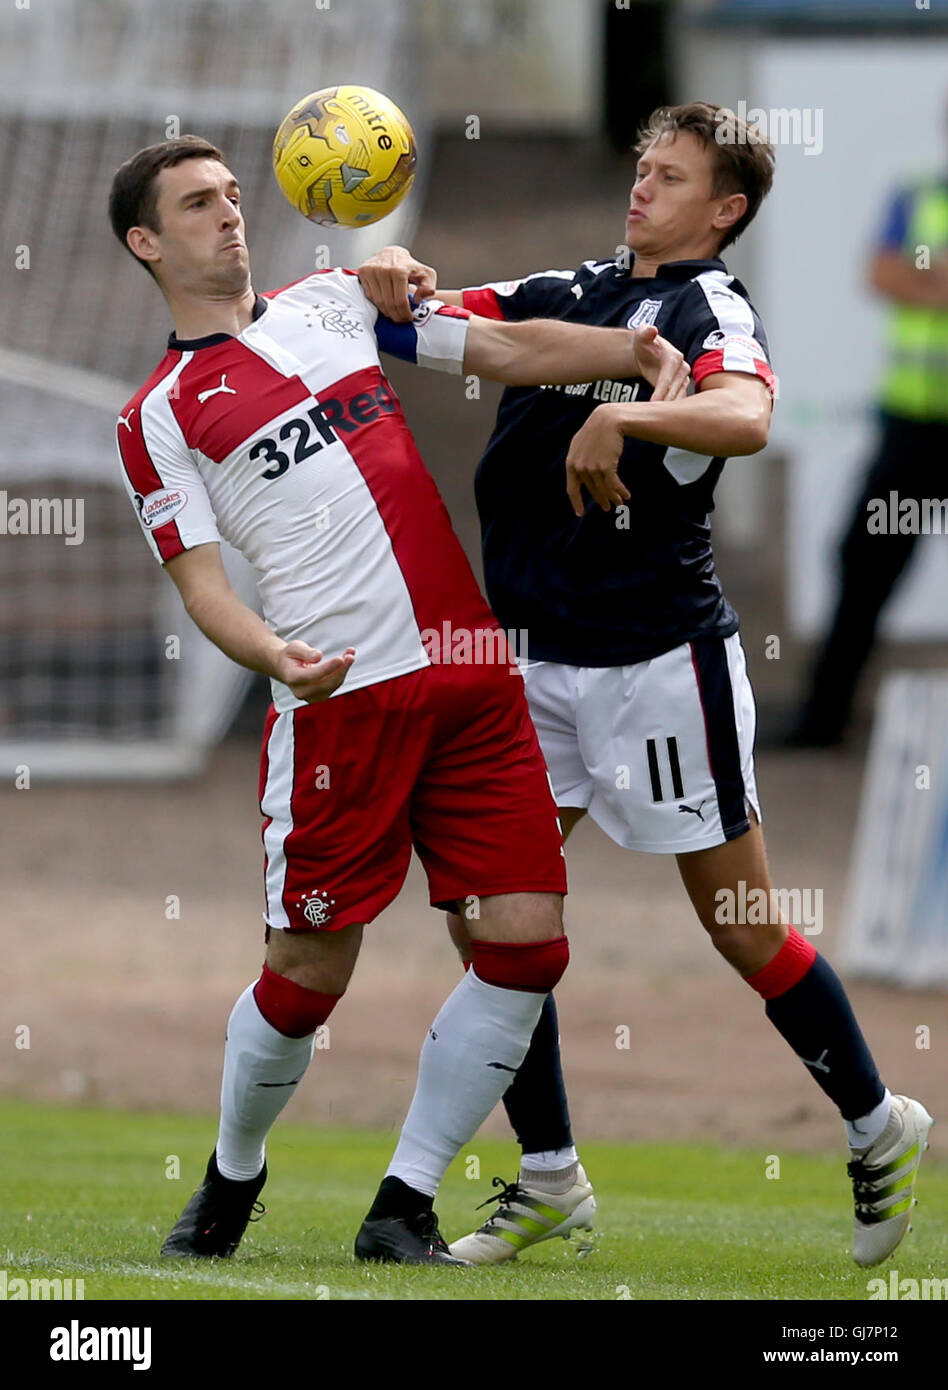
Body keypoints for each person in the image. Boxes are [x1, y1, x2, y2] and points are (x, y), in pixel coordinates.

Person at [357, 101, 933, 1269]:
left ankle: (880, 1127)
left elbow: (747, 414)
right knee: (494, 919)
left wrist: (627, 409)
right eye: (641, 169)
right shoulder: (572, 285)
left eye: (670, 178)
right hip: (534, 665)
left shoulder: (706, 304)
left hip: (657, 664)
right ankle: (551, 1174)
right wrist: (387, 278)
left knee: (743, 928)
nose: (642, 190)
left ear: (723, 208)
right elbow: (427, 329)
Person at [108, 135, 689, 1267]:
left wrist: (637, 346)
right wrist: (275, 655)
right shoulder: (158, 413)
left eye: (233, 195)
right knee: (308, 973)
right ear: (147, 241)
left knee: (524, 947)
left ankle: (405, 1202)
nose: (229, 216)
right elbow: (202, 587)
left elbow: (507, 343)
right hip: (344, 702)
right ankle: (232, 1176)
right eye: (196, 205)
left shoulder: (334, 301)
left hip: (473, 677)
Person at [790, 149, 948, 747]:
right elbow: (881, 273)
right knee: (863, 562)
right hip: (912, 426)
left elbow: (902, 274)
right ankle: (822, 719)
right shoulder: (919, 197)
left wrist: (924, 278)